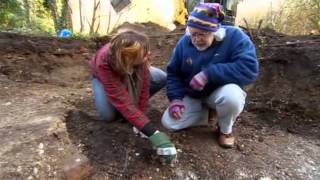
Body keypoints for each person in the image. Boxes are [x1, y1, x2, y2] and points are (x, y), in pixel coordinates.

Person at [161, 3, 259, 148]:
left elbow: (249, 69)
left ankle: (225, 129)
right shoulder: (184, 43)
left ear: (216, 31)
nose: (196, 39)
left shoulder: (235, 37)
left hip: (220, 92)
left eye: (202, 34)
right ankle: (208, 114)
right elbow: (173, 73)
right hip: (194, 94)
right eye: (193, 34)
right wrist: (176, 99)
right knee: (169, 123)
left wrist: (209, 74)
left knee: (232, 97)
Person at [89, 30, 177, 164]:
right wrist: (154, 133)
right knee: (108, 115)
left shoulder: (140, 55)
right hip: (103, 76)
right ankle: (126, 108)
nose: (148, 55)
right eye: (145, 54)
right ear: (130, 57)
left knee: (160, 78)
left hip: (129, 66)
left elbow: (144, 88)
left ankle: (132, 111)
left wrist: (140, 120)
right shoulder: (104, 61)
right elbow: (121, 99)